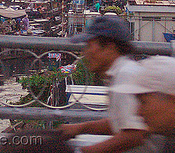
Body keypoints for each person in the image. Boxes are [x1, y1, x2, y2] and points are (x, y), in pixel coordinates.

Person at [59, 16, 147, 153]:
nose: (85, 53)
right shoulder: (121, 73)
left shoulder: (125, 76)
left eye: (89, 46)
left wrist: (84, 151)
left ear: (110, 48)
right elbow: (121, 123)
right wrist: (81, 128)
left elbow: (135, 135)